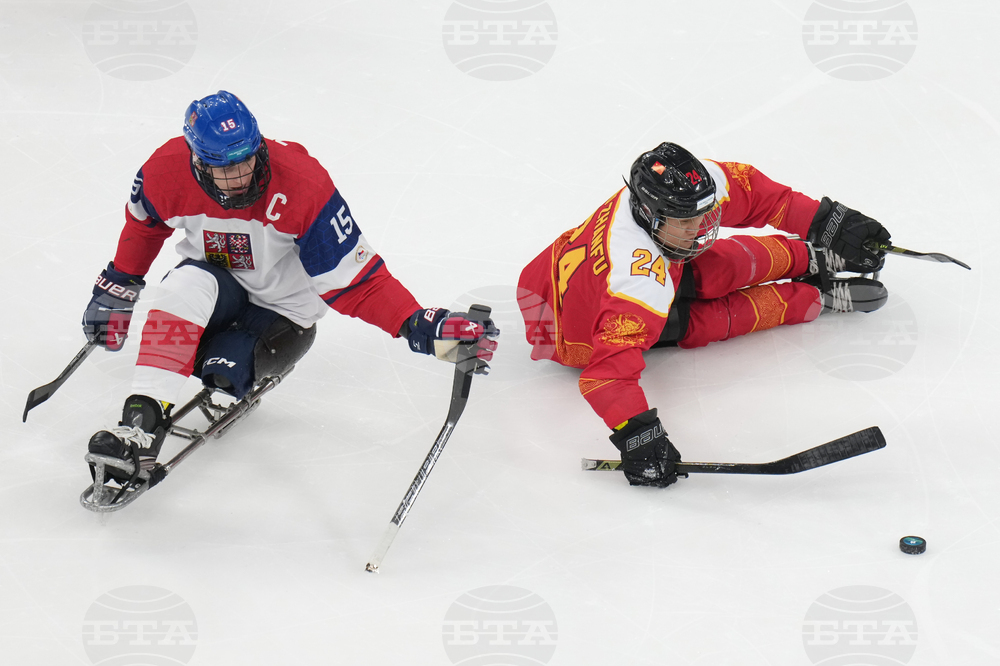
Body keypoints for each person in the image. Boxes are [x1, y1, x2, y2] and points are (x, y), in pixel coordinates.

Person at [83, 90, 498, 488]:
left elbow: (356, 280)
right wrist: (120, 283)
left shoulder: (303, 185)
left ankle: (223, 357)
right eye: (224, 168)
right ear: (196, 161)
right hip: (214, 290)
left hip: (282, 313)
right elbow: (145, 223)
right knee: (182, 285)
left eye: (246, 160)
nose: (240, 177)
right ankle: (138, 431)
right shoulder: (164, 169)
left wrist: (419, 324)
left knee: (222, 370)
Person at [517, 142, 889, 488]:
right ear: (650, 214)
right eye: (686, 221)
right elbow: (606, 374)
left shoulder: (687, 192)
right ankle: (814, 297)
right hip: (574, 332)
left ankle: (811, 257)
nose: (701, 228)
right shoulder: (635, 282)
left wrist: (828, 223)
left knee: (722, 264)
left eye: (703, 215)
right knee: (707, 321)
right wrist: (639, 436)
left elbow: (755, 194)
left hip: (554, 280)